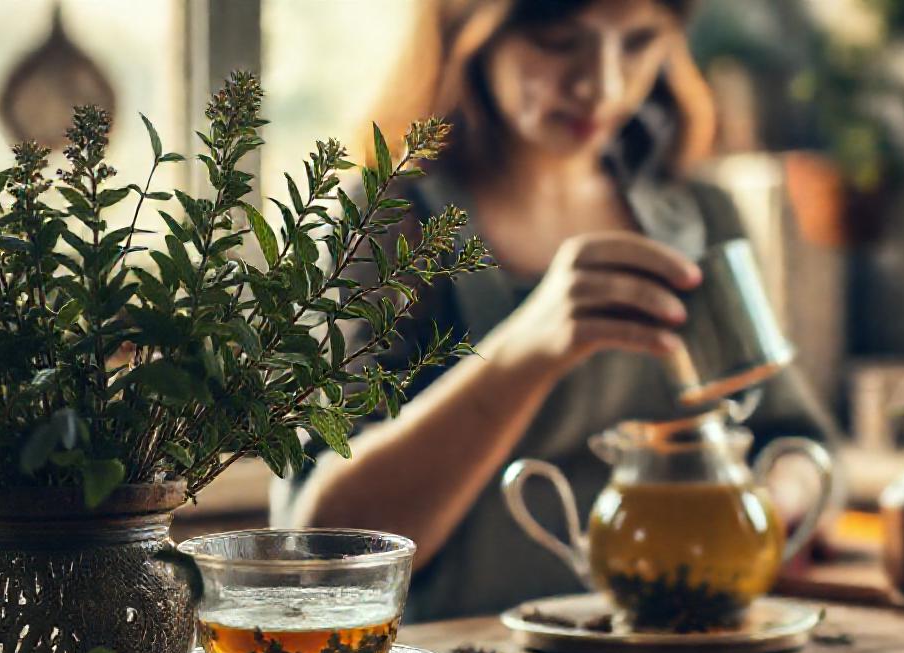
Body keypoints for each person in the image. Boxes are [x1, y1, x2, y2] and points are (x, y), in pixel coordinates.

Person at [290, 0, 830, 621]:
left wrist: (773, 499)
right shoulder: (389, 220)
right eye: (556, 40)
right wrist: (526, 347)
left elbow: (798, 440)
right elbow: (323, 546)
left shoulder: (698, 213)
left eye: (638, 42)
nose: (602, 85)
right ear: (469, 32)